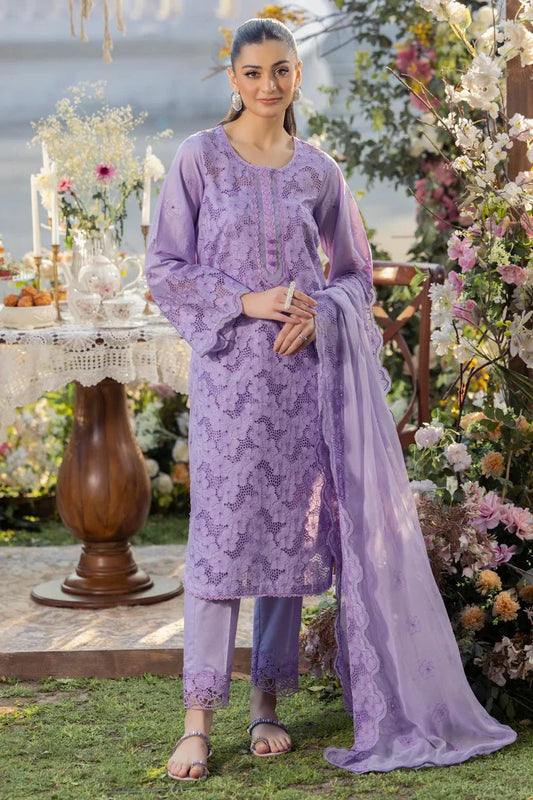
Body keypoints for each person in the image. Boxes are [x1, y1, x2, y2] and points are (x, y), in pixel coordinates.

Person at [145, 17, 517, 782]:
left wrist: (323, 312)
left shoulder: (317, 170)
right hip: (229, 383)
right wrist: (246, 301)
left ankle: (266, 703)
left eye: (281, 70)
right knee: (219, 545)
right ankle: (196, 720)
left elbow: (352, 273)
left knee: (286, 544)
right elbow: (164, 267)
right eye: (253, 72)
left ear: (296, 76)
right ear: (233, 79)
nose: (268, 85)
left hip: (301, 386)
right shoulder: (198, 159)